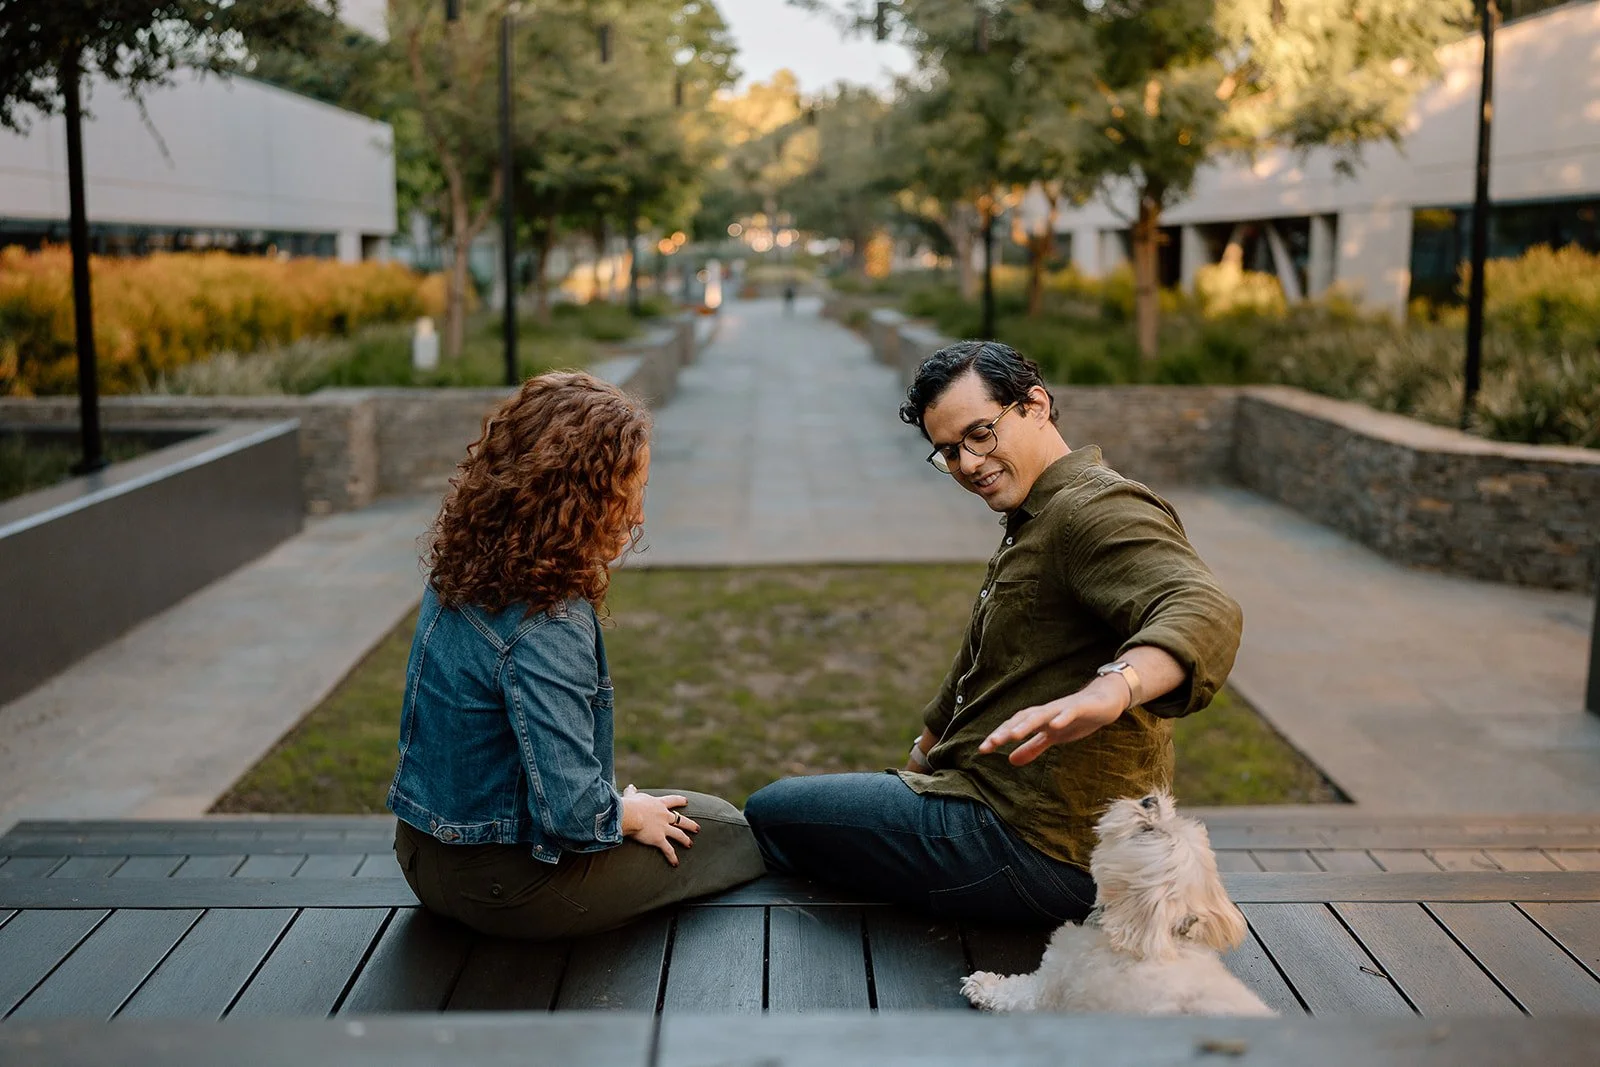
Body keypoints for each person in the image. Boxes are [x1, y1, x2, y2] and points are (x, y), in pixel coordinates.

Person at [744, 341, 1243, 925]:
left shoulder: (1096, 510)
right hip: (1010, 817)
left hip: (1039, 850)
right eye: (948, 452)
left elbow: (1201, 604)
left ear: (1034, 404)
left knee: (770, 814)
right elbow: (987, 663)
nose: (968, 464)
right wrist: (923, 758)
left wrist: (1113, 688)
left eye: (980, 434)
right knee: (812, 820)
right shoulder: (1036, 515)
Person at [388, 371, 765, 939]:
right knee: (724, 828)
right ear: (579, 494)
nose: (637, 514)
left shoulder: (463, 566)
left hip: (420, 857)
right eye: (628, 490)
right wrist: (621, 814)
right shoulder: (549, 618)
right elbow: (571, 817)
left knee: (672, 815)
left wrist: (614, 807)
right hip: (505, 888)